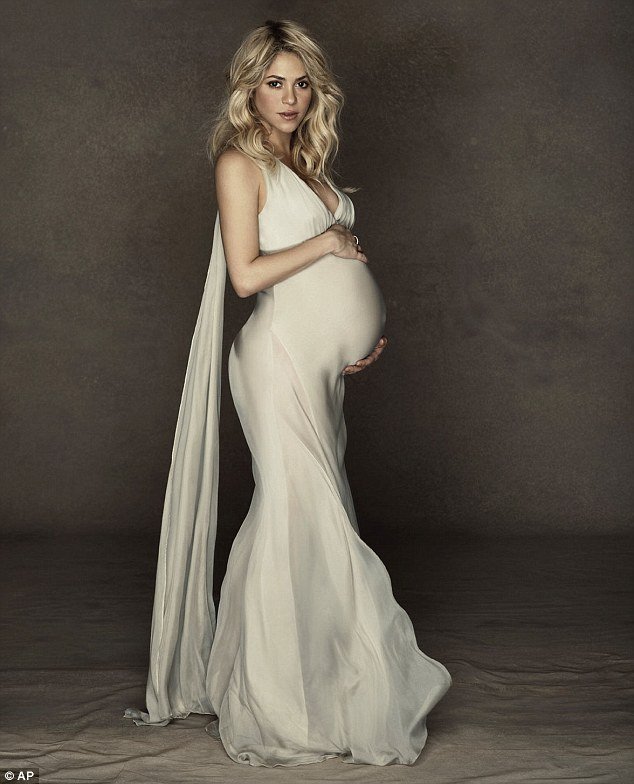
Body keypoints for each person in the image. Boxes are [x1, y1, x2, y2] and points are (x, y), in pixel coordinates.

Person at [124, 18, 452, 768]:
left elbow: (326, 278)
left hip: (318, 366)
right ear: (249, 88)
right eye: (275, 82)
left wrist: (354, 336)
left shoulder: (305, 160)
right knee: (300, 515)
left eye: (302, 83)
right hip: (274, 363)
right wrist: (329, 243)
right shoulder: (239, 163)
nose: (291, 96)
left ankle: (315, 679)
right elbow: (246, 276)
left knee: (312, 514)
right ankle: (277, 703)